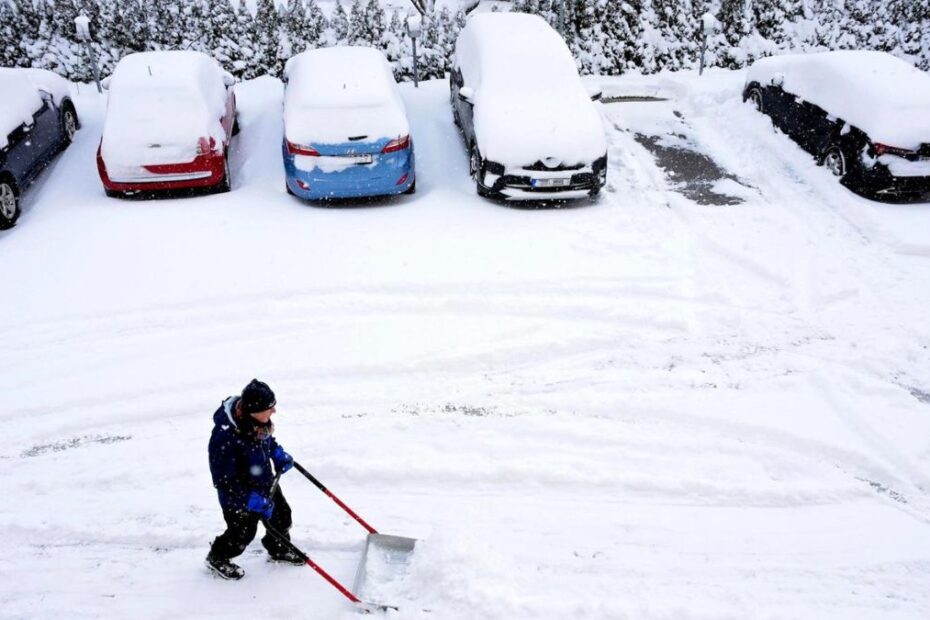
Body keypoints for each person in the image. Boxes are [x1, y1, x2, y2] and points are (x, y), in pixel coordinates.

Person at [205, 379, 303, 580]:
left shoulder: (258, 423)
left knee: (282, 516)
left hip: (264, 483)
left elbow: (267, 441)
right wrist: (250, 499)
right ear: (253, 410)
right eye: (269, 407)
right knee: (242, 534)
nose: (274, 411)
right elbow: (223, 480)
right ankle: (218, 556)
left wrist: (277, 453)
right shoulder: (224, 438)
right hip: (238, 497)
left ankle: (278, 548)